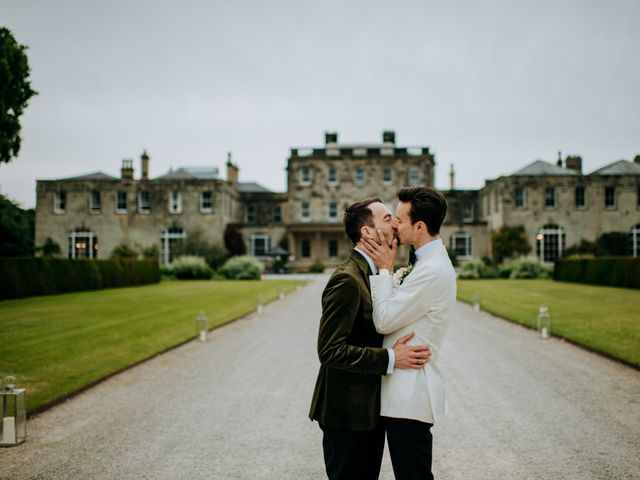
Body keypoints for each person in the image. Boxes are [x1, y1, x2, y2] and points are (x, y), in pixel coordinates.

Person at [309, 197, 432, 480]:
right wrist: (391, 357)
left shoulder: (375, 274)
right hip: (346, 415)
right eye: (388, 219)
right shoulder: (348, 280)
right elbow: (329, 350)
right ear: (367, 232)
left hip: (369, 413)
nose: (396, 223)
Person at [361, 186, 456, 480]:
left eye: (399, 220)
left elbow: (385, 319)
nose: (393, 226)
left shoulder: (431, 270)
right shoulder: (425, 262)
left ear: (420, 226)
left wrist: (386, 270)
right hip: (401, 394)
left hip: (410, 393)